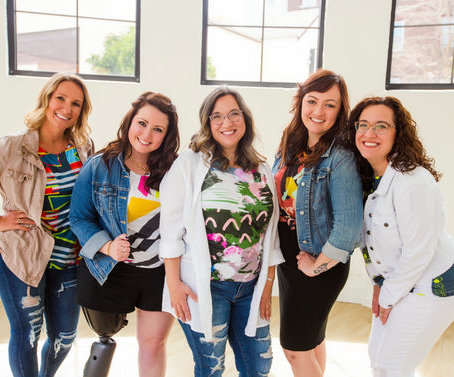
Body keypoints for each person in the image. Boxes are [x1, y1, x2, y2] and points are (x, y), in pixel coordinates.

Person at [0, 72, 93, 377]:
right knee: (27, 336)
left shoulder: (82, 147)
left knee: (65, 337)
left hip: (69, 259)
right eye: (61, 98)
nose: (67, 108)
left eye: (76, 103)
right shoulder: (12, 147)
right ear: (47, 99)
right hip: (21, 259)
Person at [159, 86, 284, 377]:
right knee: (211, 368)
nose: (226, 123)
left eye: (233, 114)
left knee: (259, 366)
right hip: (206, 288)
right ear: (207, 123)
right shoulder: (190, 164)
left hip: (250, 288)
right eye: (217, 116)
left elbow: (271, 236)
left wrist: (266, 288)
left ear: (245, 119)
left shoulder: (262, 168)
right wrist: (174, 284)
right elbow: (171, 232)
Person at [69, 91, 179, 377]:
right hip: (110, 269)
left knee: (153, 343)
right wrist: (106, 246)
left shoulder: (177, 171)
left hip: (159, 272)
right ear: (130, 121)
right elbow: (79, 218)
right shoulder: (99, 166)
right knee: (104, 341)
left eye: (158, 129)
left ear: (167, 135)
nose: (147, 134)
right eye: (142, 123)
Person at [342, 96, 454, 377]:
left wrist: (388, 296)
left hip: (433, 284)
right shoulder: (369, 176)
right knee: (377, 358)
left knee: (393, 365)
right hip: (398, 282)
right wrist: (380, 285)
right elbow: (373, 242)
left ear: (398, 133)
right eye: (363, 125)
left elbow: (418, 252)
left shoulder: (412, 182)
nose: (369, 133)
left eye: (381, 126)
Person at [272, 69, 363, 377]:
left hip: (316, 265)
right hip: (290, 262)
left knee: (295, 349)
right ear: (301, 103)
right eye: (312, 101)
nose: (318, 111)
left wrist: (317, 266)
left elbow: (349, 226)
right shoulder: (291, 144)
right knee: (310, 342)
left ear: (340, 111)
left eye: (330, 104)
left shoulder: (341, 156)